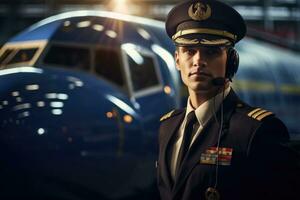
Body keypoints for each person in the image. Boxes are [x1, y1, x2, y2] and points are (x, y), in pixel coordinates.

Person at [157, 0, 299, 200]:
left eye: (212, 52)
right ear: (178, 60)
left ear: (231, 61)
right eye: (189, 51)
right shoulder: (168, 127)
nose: (198, 61)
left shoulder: (257, 131)